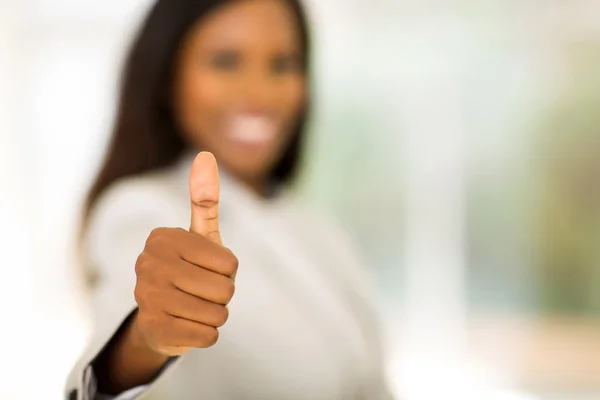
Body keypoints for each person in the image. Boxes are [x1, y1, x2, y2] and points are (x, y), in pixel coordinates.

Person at [66, 0, 392, 399]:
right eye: (225, 61)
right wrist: (145, 340)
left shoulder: (317, 229)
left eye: (282, 65)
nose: (259, 93)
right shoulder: (140, 209)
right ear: (168, 78)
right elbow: (107, 371)